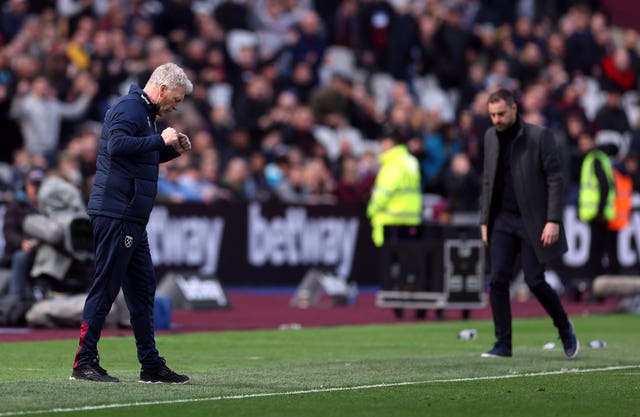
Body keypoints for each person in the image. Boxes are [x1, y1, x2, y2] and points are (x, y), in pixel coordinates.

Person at [70, 63, 193, 383]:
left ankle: (150, 365)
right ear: (163, 88)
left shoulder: (144, 115)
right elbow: (117, 146)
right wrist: (160, 141)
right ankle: (83, 362)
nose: (176, 106)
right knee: (106, 286)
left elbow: (137, 157)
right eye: (176, 99)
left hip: (130, 217)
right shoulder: (129, 107)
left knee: (142, 291)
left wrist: (170, 151)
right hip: (117, 213)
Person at [479, 88, 578, 359]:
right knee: (498, 280)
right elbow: (488, 180)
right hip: (501, 219)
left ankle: (564, 327)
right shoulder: (489, 137)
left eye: (500, 114)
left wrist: (553, 219)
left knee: (535, 281)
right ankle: (503, 344)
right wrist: (484, 220)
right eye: (492, 115)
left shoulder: (539, 136)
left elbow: (555, 179)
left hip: (533, 221)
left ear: (514, 109)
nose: (496, 120)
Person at [367, 130, 422, 248]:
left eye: (383, 143)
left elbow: (383, 193)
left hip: (390, 221)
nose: (381, 147)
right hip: (411, 219)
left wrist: (371, 210)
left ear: (390, 143)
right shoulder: (411, 161)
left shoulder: (393, 163)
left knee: (387, 262)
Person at [1, 169, 43, 296]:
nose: (36, 188)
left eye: (39, 185)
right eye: (33, 184)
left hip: (41, 248)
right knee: (21, 256)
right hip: (17, 251)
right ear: (27, 185)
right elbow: (8, 233)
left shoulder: (46, 205)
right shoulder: (16, 206)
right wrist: (22, 243)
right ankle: (15, 297)